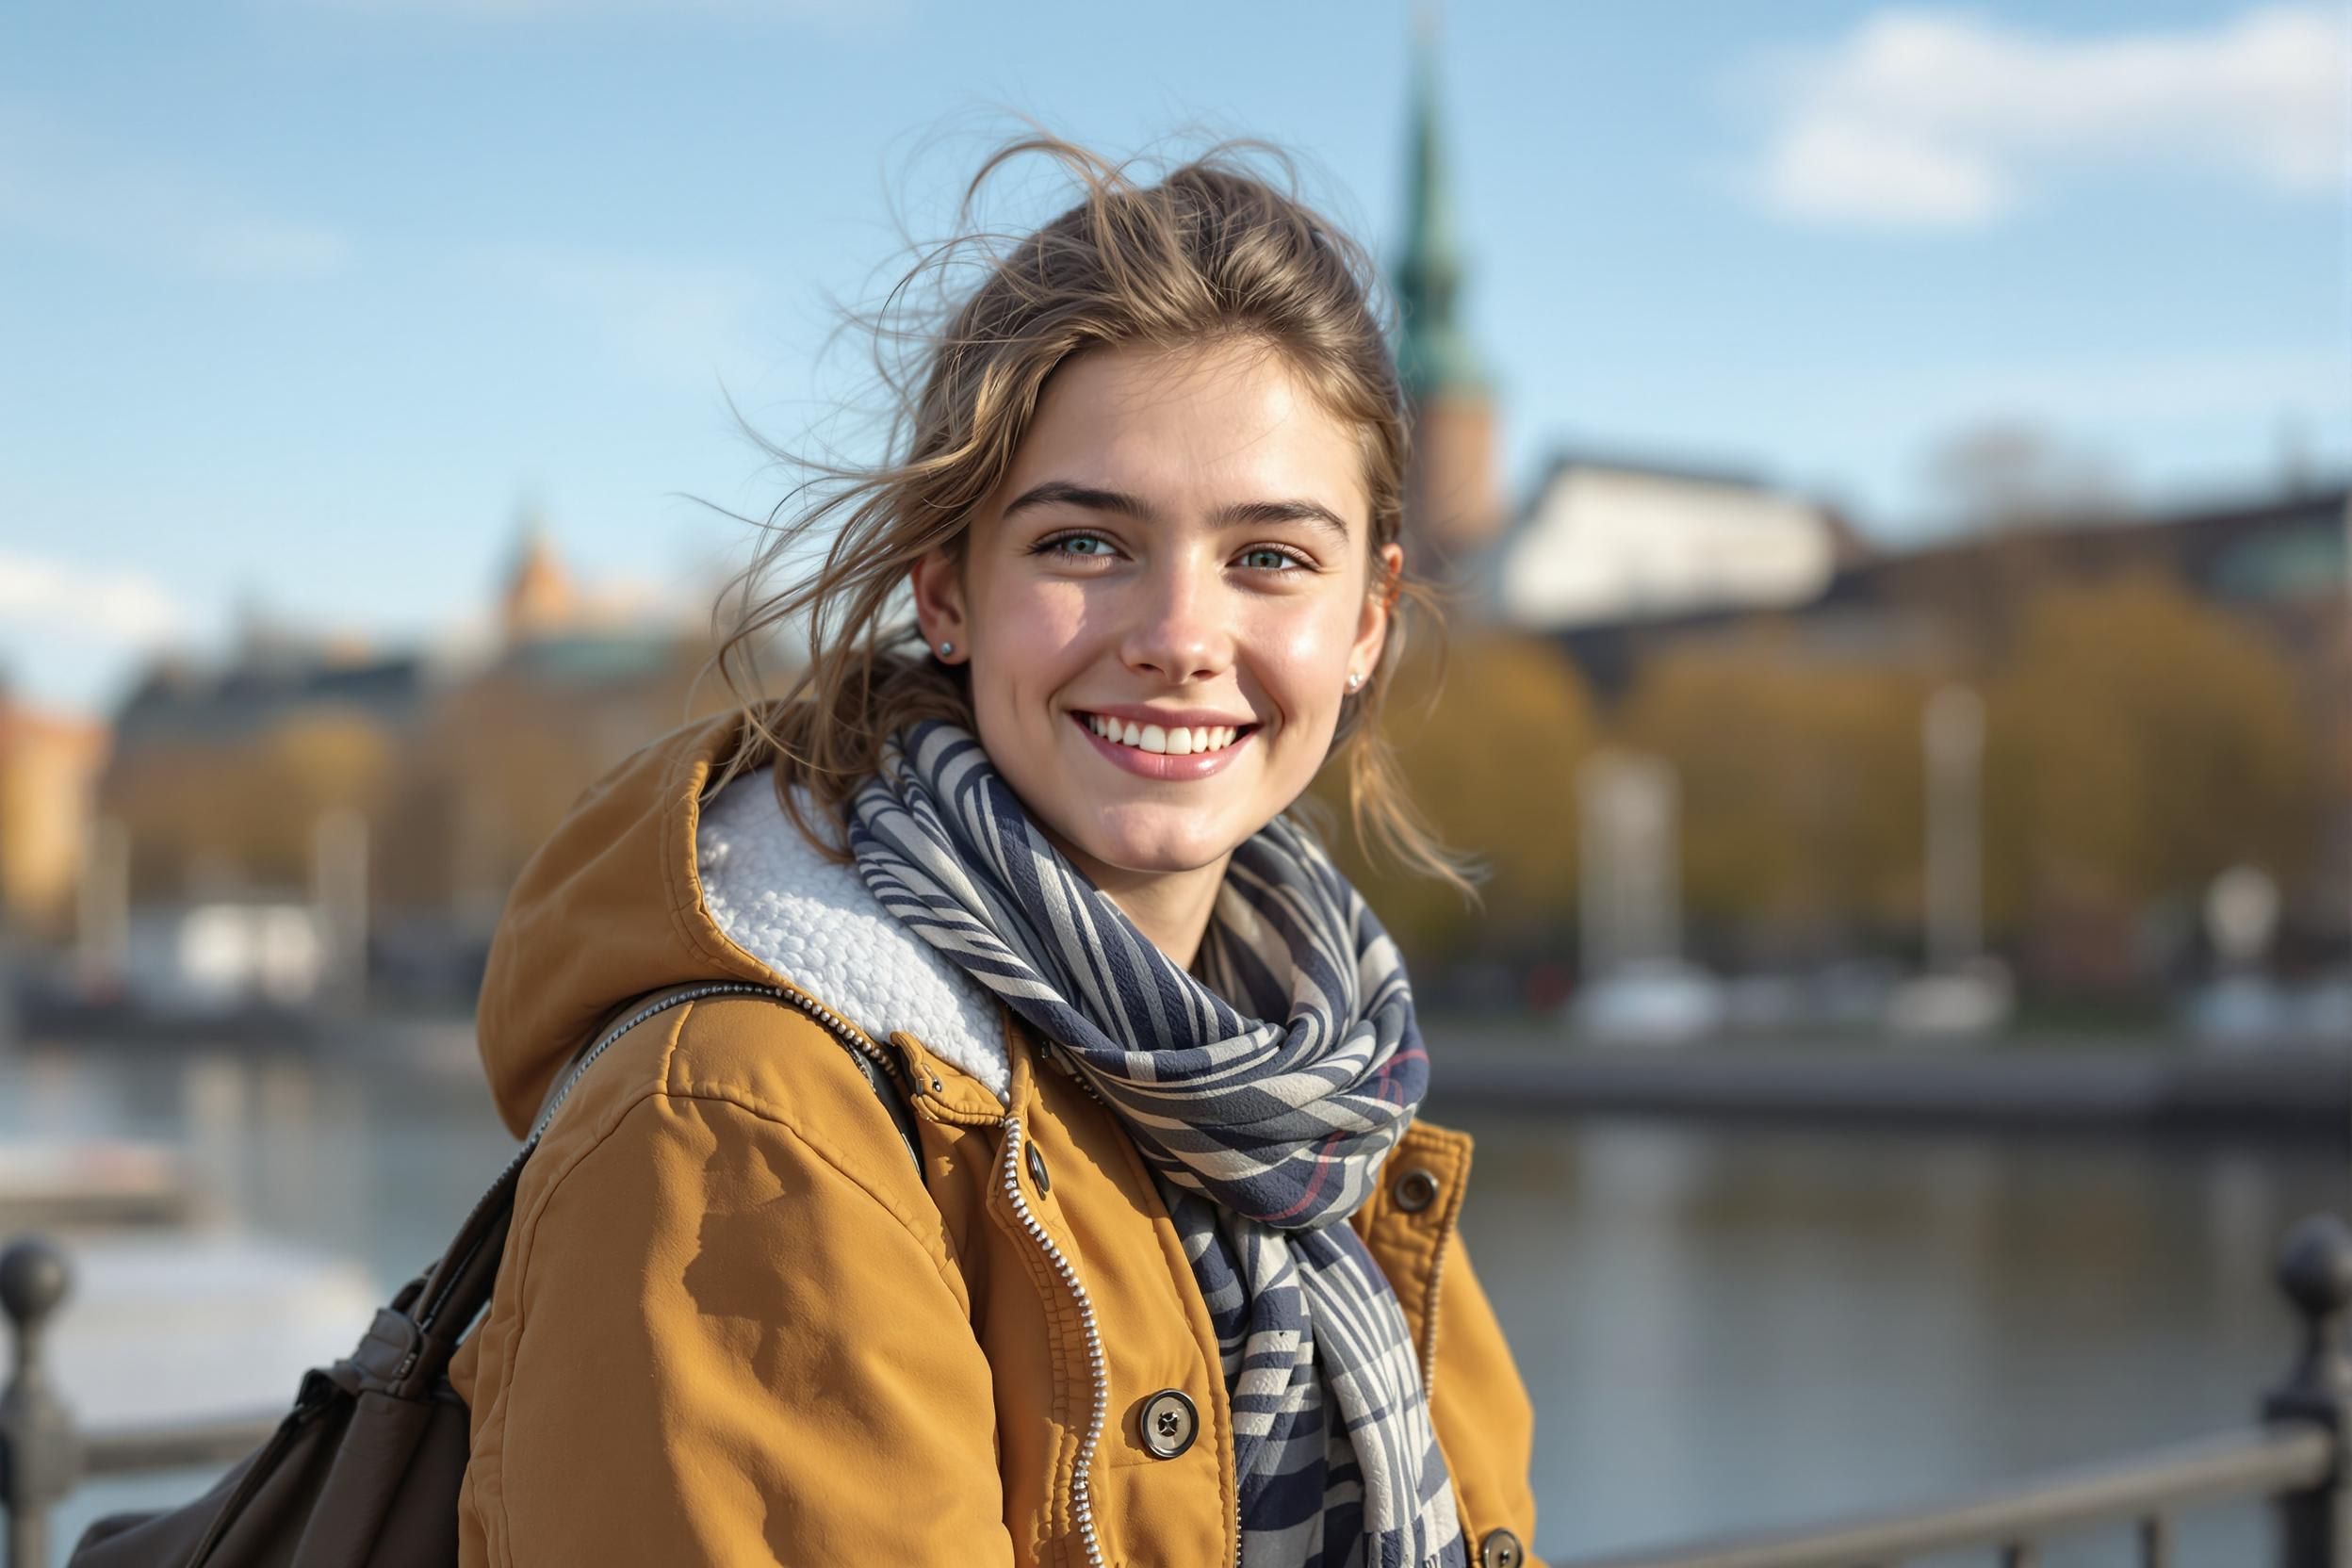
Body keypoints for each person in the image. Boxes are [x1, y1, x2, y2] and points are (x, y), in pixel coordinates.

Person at [448, 134, 1544, 1568]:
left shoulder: (1331, 1101)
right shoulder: (746, 1120)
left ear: (1367, 624)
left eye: (1269, 556)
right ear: (944, 588)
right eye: (1087, 544)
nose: (1178, 635)